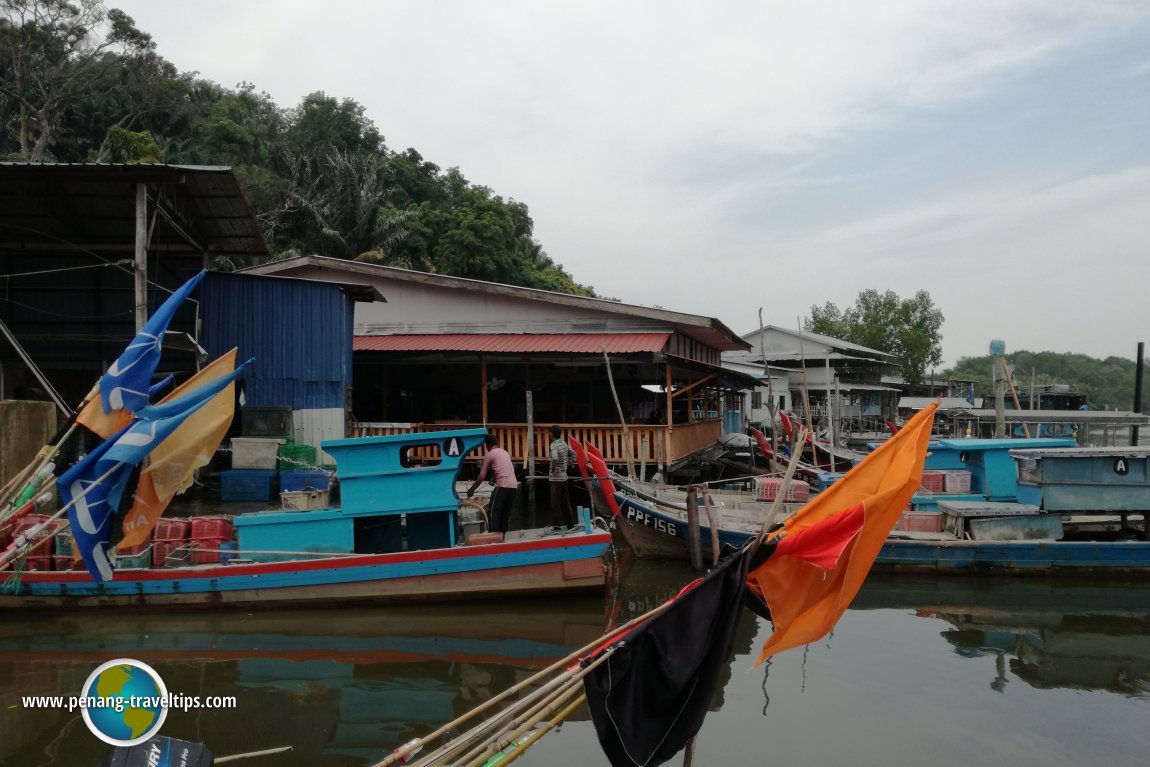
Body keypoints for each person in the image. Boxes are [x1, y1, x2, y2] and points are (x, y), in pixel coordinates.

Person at [466, 434, 518, 534]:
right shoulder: (505, 452)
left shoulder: (490, 454)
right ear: (497, 443)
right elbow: (506, 469)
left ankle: (494, 539)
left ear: (487, 445)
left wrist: (472, 489)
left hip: (502, 486)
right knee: (505, 514)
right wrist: (494, 478)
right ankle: (501, 537)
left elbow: (482, 476)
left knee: (493, 513)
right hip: (513, 486)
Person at [548, 424, 576, 530]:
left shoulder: (554, 445)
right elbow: (574, 455)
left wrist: (554, 468)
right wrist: (565, 464)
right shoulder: (563, 443)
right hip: (564, 478)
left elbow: (554, 458)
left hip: (555, 479)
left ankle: (557, 527)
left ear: (551, 434)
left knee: (556, 504)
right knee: (565, 503)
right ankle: (570, 525)